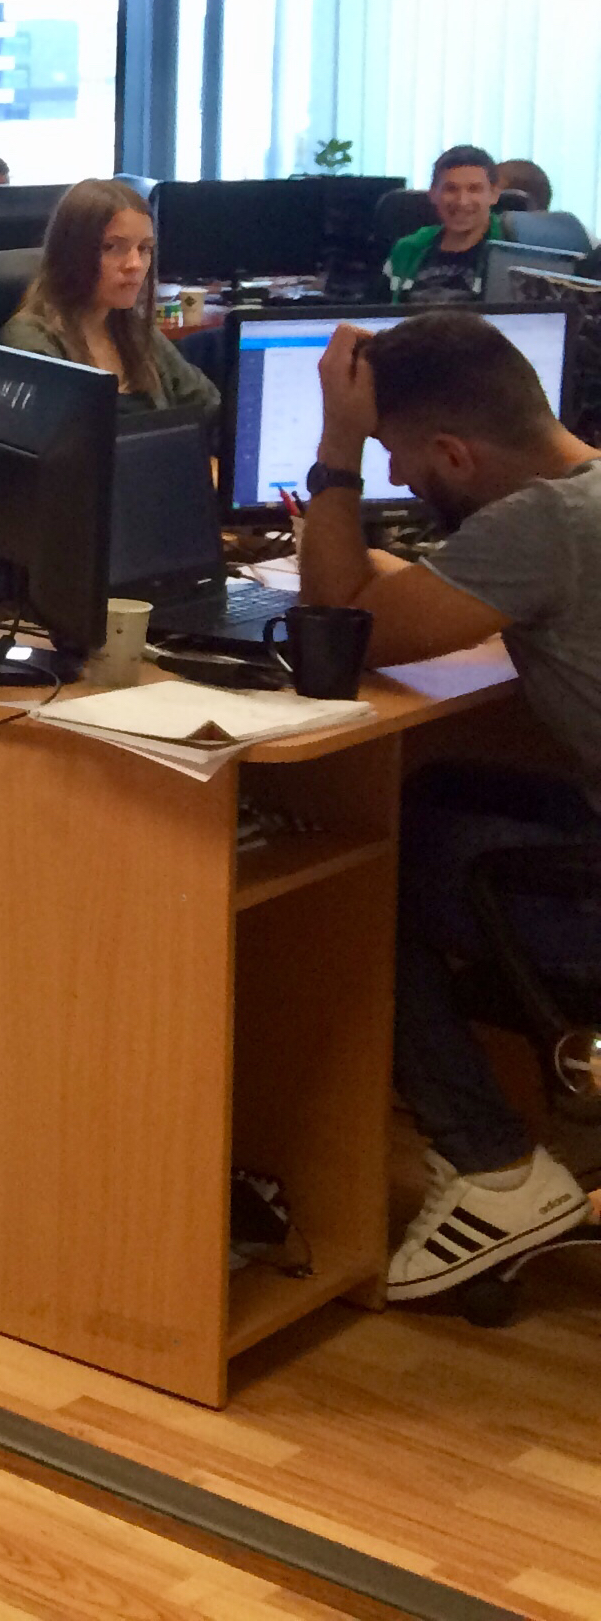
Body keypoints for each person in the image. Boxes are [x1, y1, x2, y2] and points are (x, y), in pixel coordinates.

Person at [298, 310, 601, 1299]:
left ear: (457, 454)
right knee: (430, 796)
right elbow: (431, 599)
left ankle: (494, 1168)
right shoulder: (581, 498)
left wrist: (337, 451)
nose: (394, 478)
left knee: (351, 873)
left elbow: (338, 625)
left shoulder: (542, 528)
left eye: (399, 456)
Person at [0, 177, 217, 416]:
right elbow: (67, 435)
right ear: (71, 252)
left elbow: (210, 406)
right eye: (112, 247)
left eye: (144, 248)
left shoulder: (134, 330)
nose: (135, 264)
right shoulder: (30, 341)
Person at [389, 144, 505, 305]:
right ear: (432, 194)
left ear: (494, 195)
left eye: (474, 189)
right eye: (451, 189)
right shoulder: (408, 249)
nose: (462, 201)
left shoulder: (509, 252)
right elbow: (377, 313)